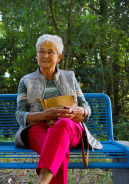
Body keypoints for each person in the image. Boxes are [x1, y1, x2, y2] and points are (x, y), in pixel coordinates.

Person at [15, 34, 103, 184]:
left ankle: (42, 181)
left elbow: (86, 107)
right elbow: (20, 114)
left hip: (70, 128)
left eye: (50, 52)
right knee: (58, 150)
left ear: (59, 57)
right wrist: (44, 115)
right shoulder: (26, 81)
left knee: (62, 125)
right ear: (36, 54)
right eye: (41, 51)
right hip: (38, 128)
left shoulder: (70, 78)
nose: (45, 55)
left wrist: (81, 111)